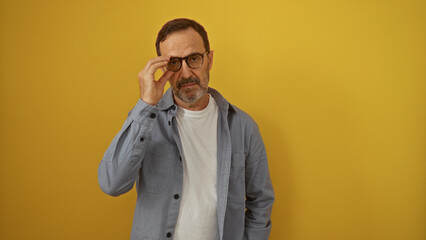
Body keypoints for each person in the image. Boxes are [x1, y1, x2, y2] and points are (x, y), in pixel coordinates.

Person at [98, 18, 274, 240]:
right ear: (163, 68)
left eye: (193, 59)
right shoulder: (145, 122)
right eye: (174, 63)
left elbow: (260, 201)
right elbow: (111, 184)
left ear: (209, 59)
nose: (186, 72)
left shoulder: (242, 126)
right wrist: (145, 106)